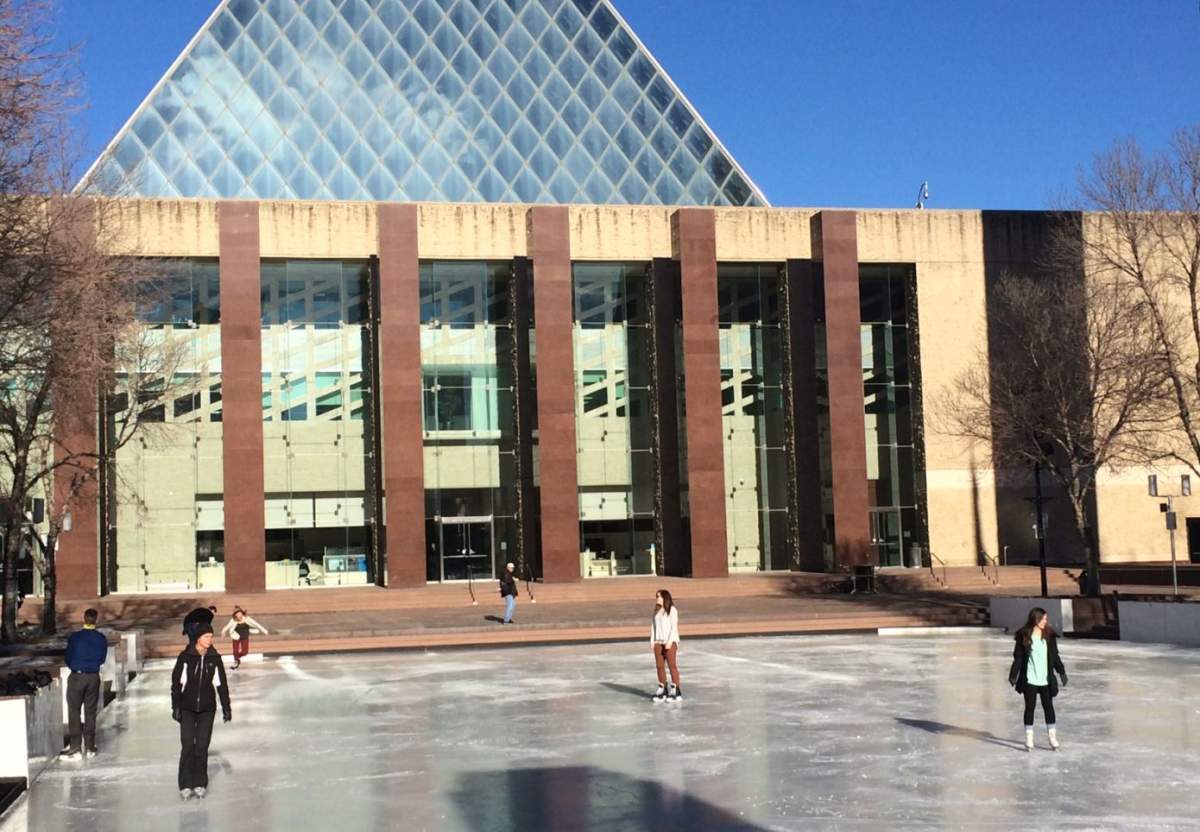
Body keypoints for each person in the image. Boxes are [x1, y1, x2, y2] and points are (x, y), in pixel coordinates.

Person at [171, 624, 231, 800]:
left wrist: (226, 707)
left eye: (211, 636)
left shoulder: (214, 658)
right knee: (188, 745)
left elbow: (221, 684)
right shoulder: (185, 657)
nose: (210, 639)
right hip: (187, 708)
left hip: (207, 709)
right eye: (206, 636)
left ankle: (200, 782)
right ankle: (185, 783)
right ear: (198, 638)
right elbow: (176, 684)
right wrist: (175, 707)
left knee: (202, 746)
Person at [1008, 606, 1069, 751]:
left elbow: (1055, 656)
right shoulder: (1024, 636)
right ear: (1035, 619)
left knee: (1049, 707)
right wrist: (1013, 674)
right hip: (1030, 679)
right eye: (1043, 619)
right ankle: (1029, 739)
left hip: (1046, 679)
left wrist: (1061, 672)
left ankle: (1052, 738)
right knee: (1030, 708)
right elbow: (1018, 657)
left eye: (1046, 619)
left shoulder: (1049, 636)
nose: (1045, 621)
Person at [61, 608, 108, 759]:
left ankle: (75, 746)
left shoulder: (75, 638)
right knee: (90, 711)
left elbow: (68, 657)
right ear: (96, 619)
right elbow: (102, 659)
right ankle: (90, 746)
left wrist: (75, 666)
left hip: (77, 676)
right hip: (93, 676)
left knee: (74, 710)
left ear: (84, 618)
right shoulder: (101, 638)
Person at [650, 589, 682, 702]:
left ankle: (676, 690)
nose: (657, 598)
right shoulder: (657, 611)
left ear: (664, 597)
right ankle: (663, 690)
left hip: (670, 642)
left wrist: (670, 641)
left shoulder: (672, 610)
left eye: (658, 596)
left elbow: (674, 627)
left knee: (672, 666)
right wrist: (652, 641)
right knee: (659, 666)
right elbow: (653, 627)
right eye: (656, 596)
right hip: (658, 642)